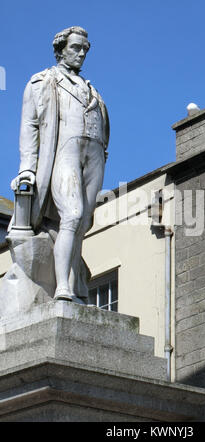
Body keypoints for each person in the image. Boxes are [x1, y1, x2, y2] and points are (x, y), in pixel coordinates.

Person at [10, 26, 109, 302]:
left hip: (94, 158)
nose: (81, 54)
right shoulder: (41, 82)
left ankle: (76, 286)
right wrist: (26, 168)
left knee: (82, 224)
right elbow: (29, 128)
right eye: (75, 48)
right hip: (63, 153)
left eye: (85, 50)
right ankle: (62, 287)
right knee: (73, 214)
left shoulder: (93, 91)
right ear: (60, 50)